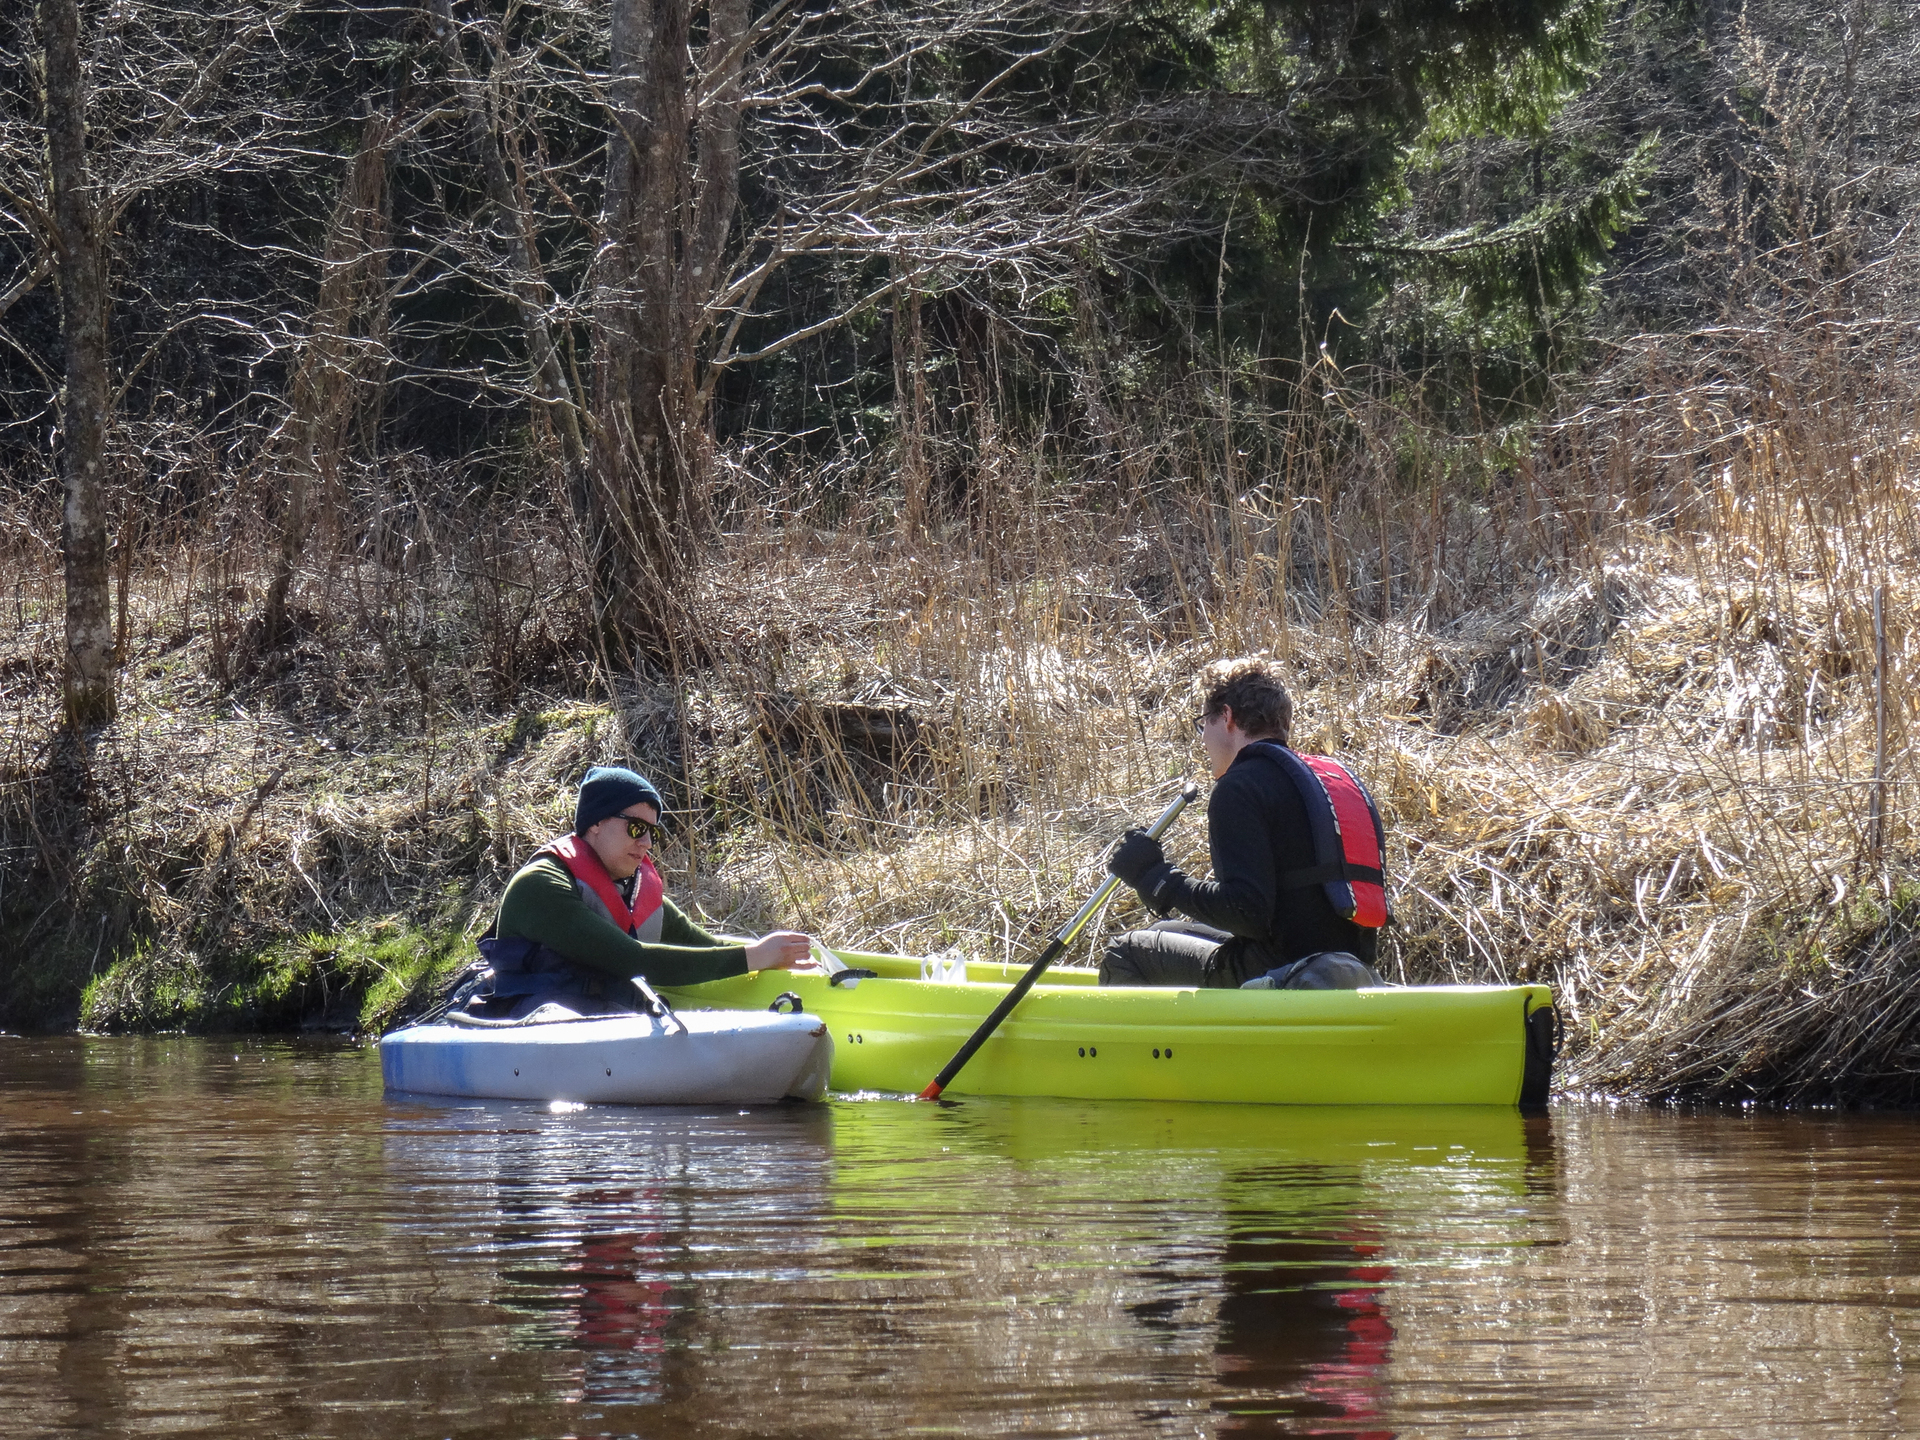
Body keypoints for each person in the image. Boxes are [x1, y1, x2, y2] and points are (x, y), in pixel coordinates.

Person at [1100, 658, 1385, 990]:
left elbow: (1245, 912)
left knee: (1126, 953)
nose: (1203, 740)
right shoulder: (1326, 784)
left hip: (1284, 972)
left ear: (1226, 717)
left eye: (1204, 724)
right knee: (1160, 933)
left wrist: (1158, 879)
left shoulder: (1239, 787)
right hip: (1347, 966)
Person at [472, 765, 814, 1016]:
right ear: (596, 822)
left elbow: (706, 947)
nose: (647, 843)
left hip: (604, 1024)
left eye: (653, 832)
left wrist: (776, 953)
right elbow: (633, 959)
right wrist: (754, 957)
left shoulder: (635, 894)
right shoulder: (540, 885)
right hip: (529, 1024)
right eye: (636, 828)